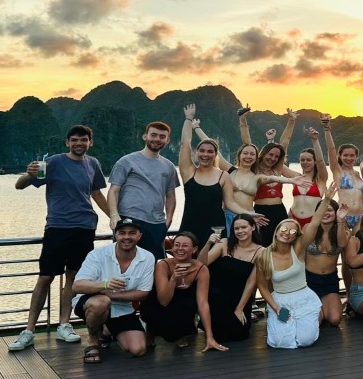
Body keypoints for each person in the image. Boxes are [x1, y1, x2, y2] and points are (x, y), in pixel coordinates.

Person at [8, 124, 108, 351]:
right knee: (45, 277)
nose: (79, 144)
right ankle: (29, 330)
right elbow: (19, 185)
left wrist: (114, 216)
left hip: (84, 227)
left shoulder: (93, 164)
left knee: (73, 277)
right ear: (67, 143)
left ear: (90, 142)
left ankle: (64, 324)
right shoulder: (52, 162)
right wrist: (29, 174)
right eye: (74, 140)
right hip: (57, 226)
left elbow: (96, 193)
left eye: (83, 140)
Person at [70, 217, 156, 363]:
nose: (127, 237)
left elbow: (143, 293)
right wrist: (105, 285)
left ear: (139, 235)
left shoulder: (147, 257)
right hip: (92, 302)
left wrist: (110, 294)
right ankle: (92, 341)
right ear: (115, 235)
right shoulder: (98, 254)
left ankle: (105, 331)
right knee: (101, 303)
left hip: (122, 308)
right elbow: (77, 286)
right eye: (122, 233)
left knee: (138, 349)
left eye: (132, 233)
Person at [140, 231, 227, 351]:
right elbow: (163, 301)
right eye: (177, 245)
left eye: (185, 246)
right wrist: (174, 278)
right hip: (158, 305)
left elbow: (203, 303)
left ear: (194, 249)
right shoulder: (163, 265)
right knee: (160, 317)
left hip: (181, 308)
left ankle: (180, 333)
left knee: (191, 303)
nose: (180, 248)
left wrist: (209, 337)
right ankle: (151, 332)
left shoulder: (201, 268)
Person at [108, 121, 180, 256]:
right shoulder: (126, 161)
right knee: (123, 261)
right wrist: (114, 215)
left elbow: (170, 195)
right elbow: (113, 190)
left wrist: (168, 220)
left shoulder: (169, 166)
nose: (157, 139)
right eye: (153, 135)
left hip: (156, 223)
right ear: (145, 136)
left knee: (154, 263)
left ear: (167, 140)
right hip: (129, 219)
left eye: (162, 136)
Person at [255, 219, 324, 349]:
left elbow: (314, 224)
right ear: (276, 232)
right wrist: (276, 308)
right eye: (283, 229)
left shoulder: (298, 249)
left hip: (303, 298)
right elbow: (262, 286)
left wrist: (326, 200)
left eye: (292, 231)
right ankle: (294, 322)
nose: (287, 233)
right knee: (280, 342)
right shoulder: (263, 256)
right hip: (280, 301)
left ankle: (314, 315)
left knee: (306, 340)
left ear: (295, 237)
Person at [201, 214, 262, 343]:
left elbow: (252, 282)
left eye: (244, 227)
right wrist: (208, 243)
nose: (240, 231)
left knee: (239, 334)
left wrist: (240, 309)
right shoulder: (224, 243)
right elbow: (201, 264)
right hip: (217, 296)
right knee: (220, 335)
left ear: (253, 227)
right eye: (236, 228)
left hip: (239, 297)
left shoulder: (260, 252)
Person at [178, 104, 228, 245]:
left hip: (216, 229)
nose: (206, 154)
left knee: (216, 265)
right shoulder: (189, 172)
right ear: (196, 152)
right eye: (202, 151)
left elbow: (230, 203)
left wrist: (249, 213)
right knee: (187, 264)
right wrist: (188, 119)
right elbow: (184, 143)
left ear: (215, 155)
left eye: (210, 151)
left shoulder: (223, 175)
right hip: (190, 228)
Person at [300, 182, 346, 326]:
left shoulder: (342, 230)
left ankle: (326, 304)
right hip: (309, 280)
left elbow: (342, 244)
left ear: (336, 212)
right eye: (323, 209)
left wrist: (340, 220)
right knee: (316, 321)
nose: (326, 212)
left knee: (335, 319)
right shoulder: (309, 227)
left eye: (330, 210)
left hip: (330, 280)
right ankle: (317, 306)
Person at [322, 115, 363, 229]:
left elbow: (358, 194)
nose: (348, 158)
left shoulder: (357, 174)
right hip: (344, 216)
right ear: (339, 156)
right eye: (345, 155)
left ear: (356, 157)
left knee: (358, 245)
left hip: (360, 216)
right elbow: (331, 148)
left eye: (352, 155)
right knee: (344, 245)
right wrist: (327, 129)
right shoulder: (337, 171)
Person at [289, 127, 329, 225]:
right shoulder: (296, 177)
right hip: (293, 219)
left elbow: (321, 161)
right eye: (302, 160)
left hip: (313, 221)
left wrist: (315, 140)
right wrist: (271, 141)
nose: (305, 162)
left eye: (308, 160)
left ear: (314, 161)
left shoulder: (320, 179)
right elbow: (279, 165)